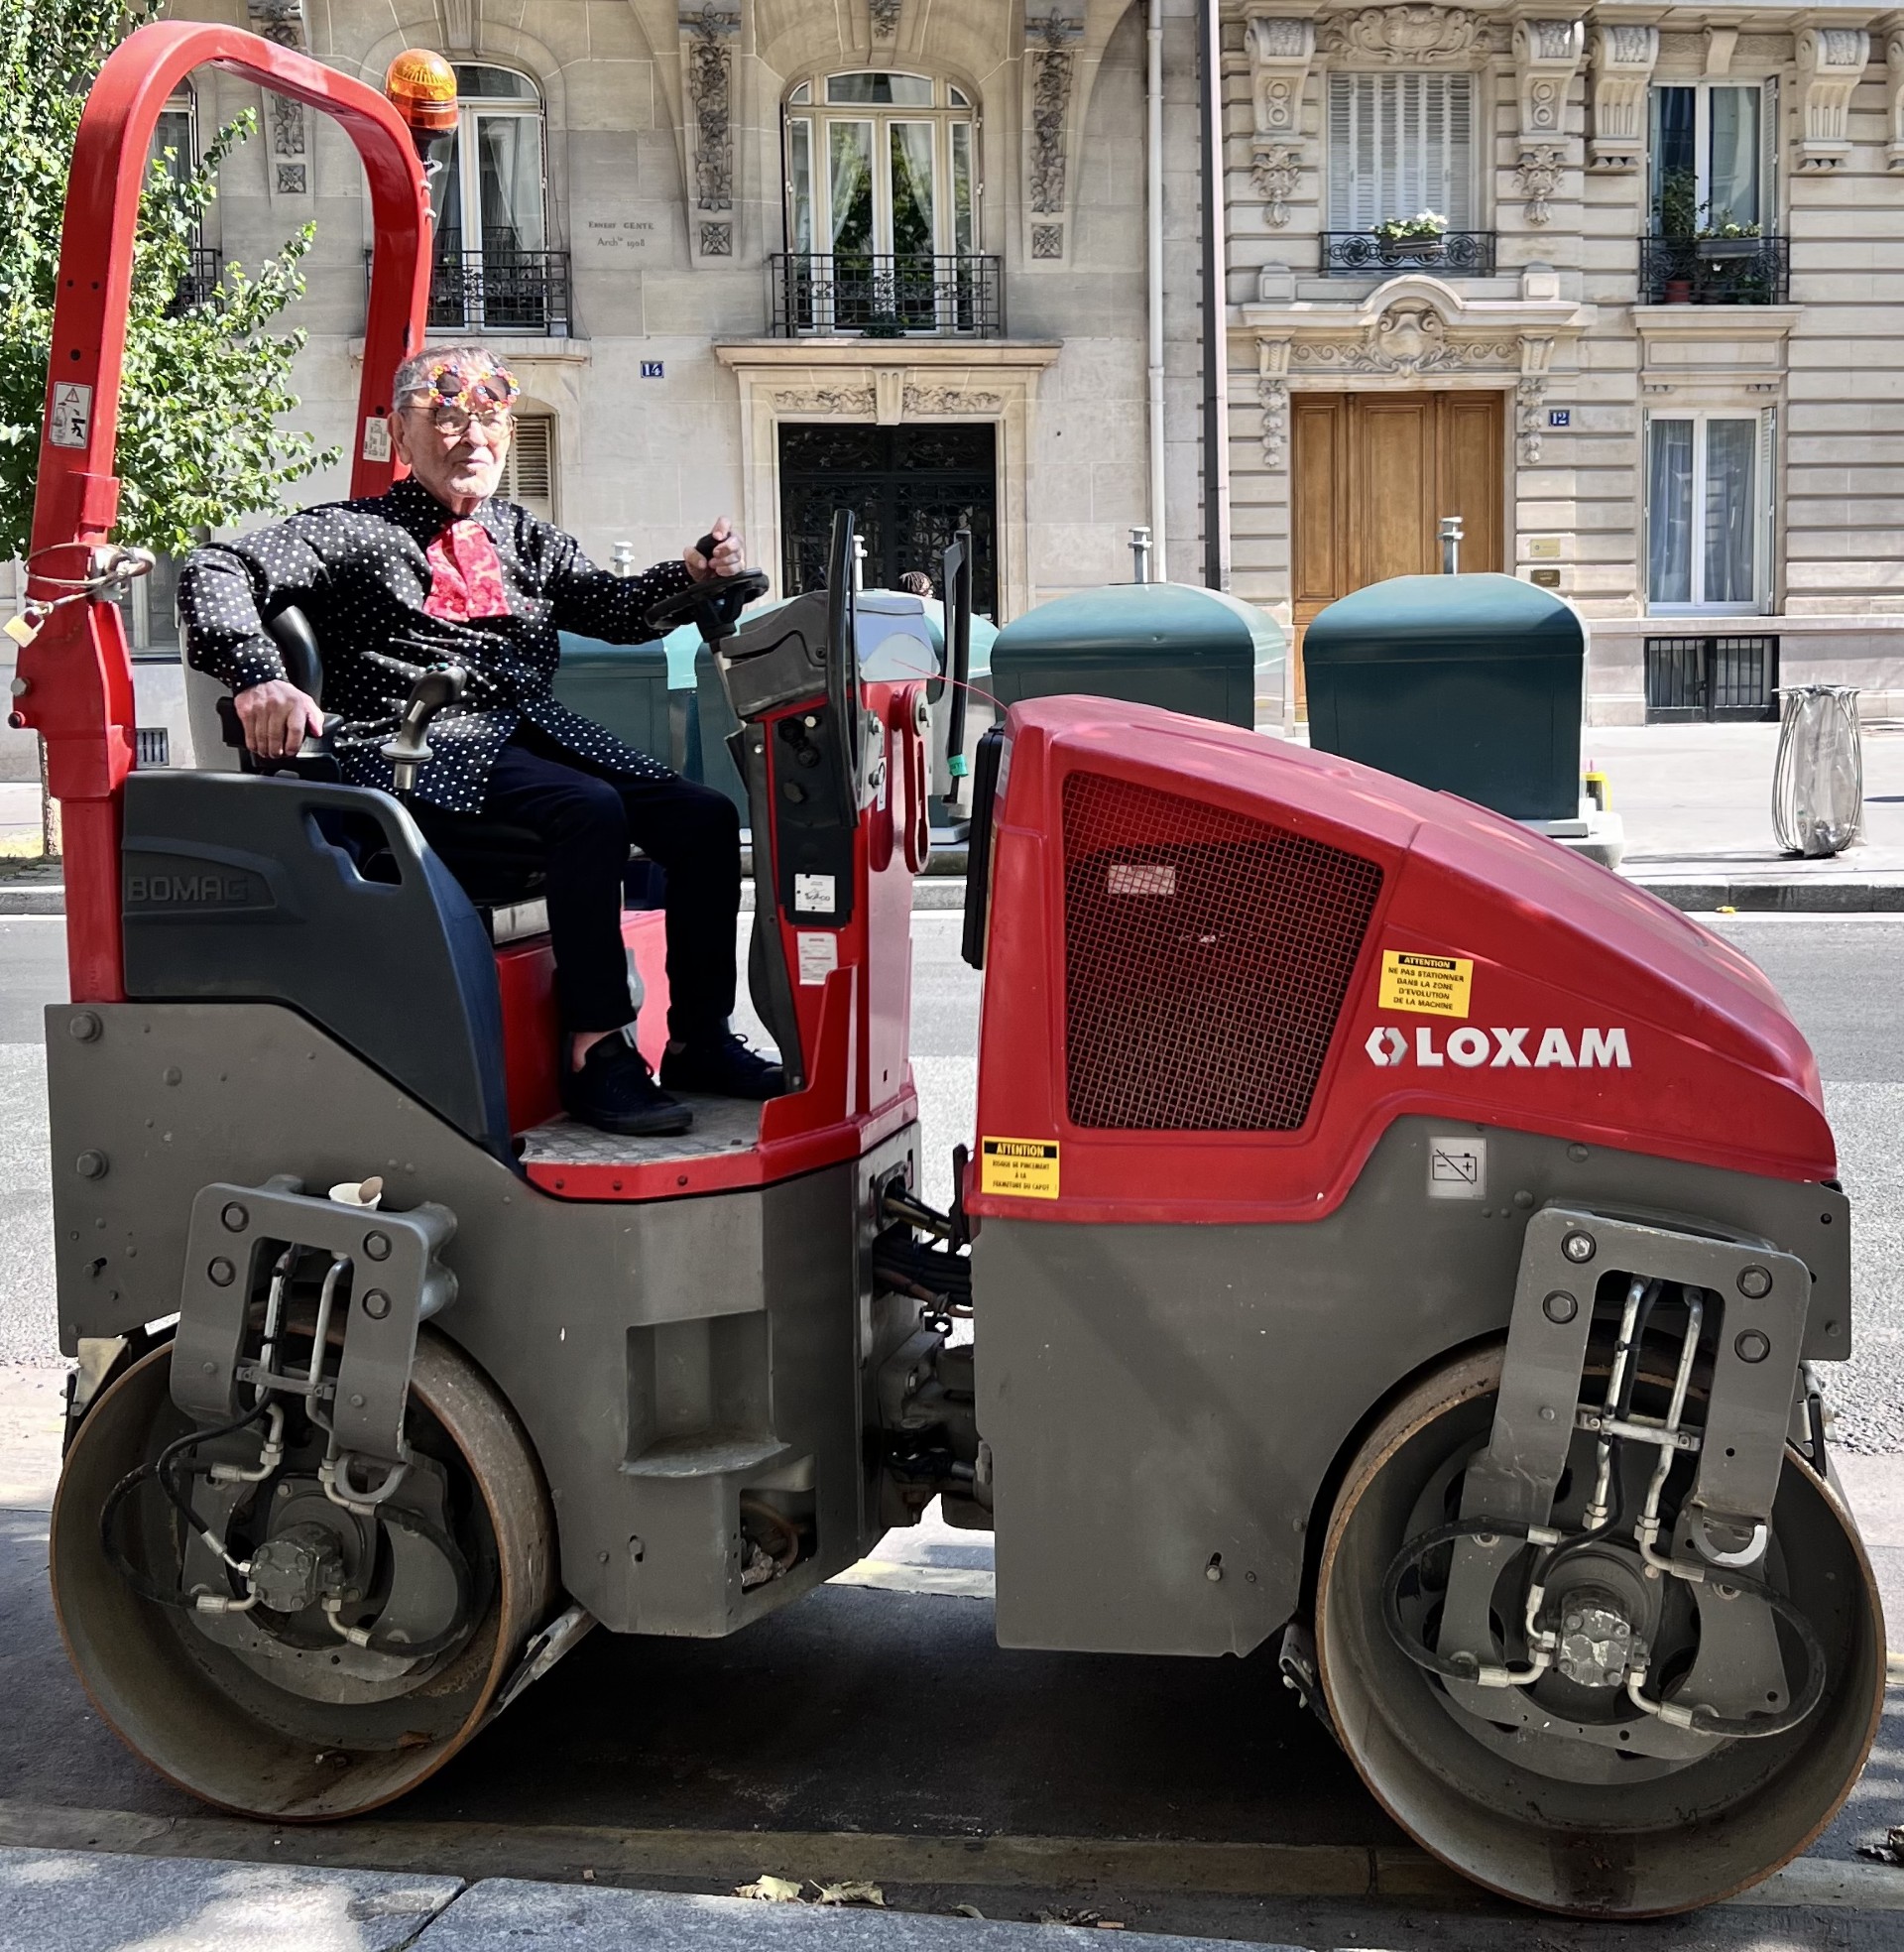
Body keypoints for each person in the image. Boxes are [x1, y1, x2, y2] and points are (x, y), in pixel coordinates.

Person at [178, 344, 779, 1139]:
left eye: (489, 421)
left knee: (703, 818)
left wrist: (691, 578)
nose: (473, 439)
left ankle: (701, 1039)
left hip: (522, 737)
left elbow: (608, 607)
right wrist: (260, 674)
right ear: (402, 433)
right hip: (415, 749)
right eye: (447, 419)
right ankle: (598, 1051)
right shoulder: (356, 531)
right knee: (588, 810)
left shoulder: (518, 533)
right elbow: (214, 565)